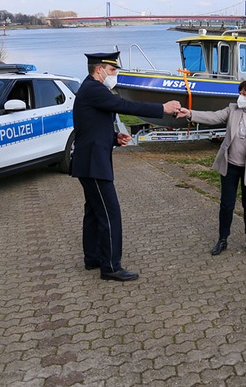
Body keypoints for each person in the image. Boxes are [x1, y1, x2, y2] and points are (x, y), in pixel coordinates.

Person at [71, 52, 181, 281]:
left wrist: (113, 138)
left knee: (93, 211)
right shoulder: (94, 89)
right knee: (110, 214)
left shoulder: (91, 89)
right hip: (93, 164)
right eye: (113, 70)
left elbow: (90, 126)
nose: (116, 75)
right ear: (99, 69)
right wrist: (162, 108)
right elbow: (125, 105)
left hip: (90, 160)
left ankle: (92, 257)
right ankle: (110, 266)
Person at [176, 80, 246, 256]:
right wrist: (190, 113)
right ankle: (222, 239)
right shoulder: (232, 109)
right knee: (226, 205)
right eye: (240, 93)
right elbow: (213, 117)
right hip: (230, 165)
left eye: (245, 94)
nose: (241, 97)